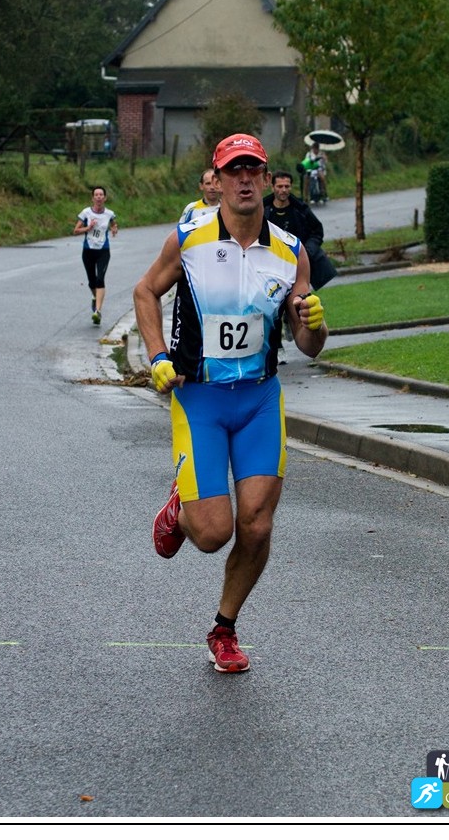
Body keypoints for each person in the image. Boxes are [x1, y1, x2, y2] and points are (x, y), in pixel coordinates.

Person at [133, 133, 328, 674]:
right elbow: (145, 291)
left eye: (253, 170)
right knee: (214, 533)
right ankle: (181, 509)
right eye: (233, 171)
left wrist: (315, 323)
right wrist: (157, 355)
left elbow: (309, 344)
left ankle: (224, 629)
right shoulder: (188, 240)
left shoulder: (290, 251)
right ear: (216, 181)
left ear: (265, 178)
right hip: (200, 397)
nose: (244, 179)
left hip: (260, 399)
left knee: (257, 526)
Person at [263, 171, 337, 291]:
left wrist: (306, 252)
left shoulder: (301, 209)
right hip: (272, 265)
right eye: (280, 186)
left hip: (298, 266)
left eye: (287, 186)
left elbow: (317, 231)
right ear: (272, 187)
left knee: (300, 298)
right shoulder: (262, 211)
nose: (283, 190)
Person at [73, 186, 118, 325]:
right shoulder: (86, 212)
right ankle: (95, 298)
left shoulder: (109, 214)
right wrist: (88, 227)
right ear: (92, 198)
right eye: (96, 195)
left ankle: (97, 311)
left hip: (103, 251)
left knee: (100, 279)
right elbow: (75, 230)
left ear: (105, 198)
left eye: (101, 195)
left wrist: (114, 229)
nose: (99, 197)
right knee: (92, 282)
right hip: (88, 251)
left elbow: (113, 224)